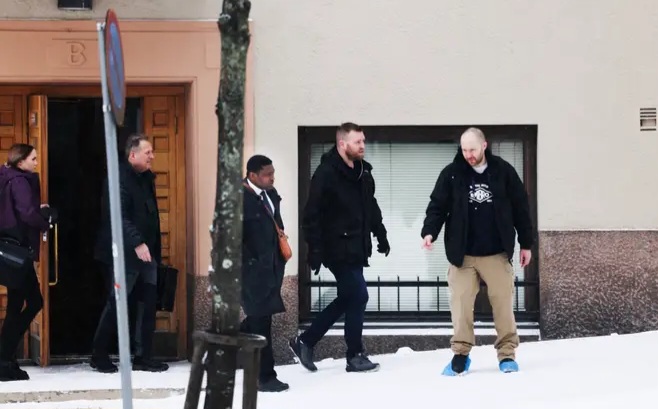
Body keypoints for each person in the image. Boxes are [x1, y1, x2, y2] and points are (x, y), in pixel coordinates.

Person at [420, 127, 534, 376]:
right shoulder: (452, 174)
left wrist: (526, 243)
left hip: (496, 252)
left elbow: (521, 208)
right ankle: (460, 354)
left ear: (484, 146)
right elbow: (437, 206)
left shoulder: (503, 172)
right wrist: (429, 232)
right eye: (464, 149)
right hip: (462, 254)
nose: (468, 155)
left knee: (503, 305)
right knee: (460, 306)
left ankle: (507, 354)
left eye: (472, 149)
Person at [289, 122, 390, 373]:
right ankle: (354, 354)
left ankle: (306, 341)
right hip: (336, 248)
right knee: (359, 295)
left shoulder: (362, 172)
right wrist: (314, 249)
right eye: (358, 142)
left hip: (357, 246)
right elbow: (311, 216)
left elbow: (371, 206)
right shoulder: (326, 173)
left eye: (364, 141)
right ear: (342, 144)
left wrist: (381, 233)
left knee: (349, 297)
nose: (363, 146)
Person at [91, 134, 168, 373]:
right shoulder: (118, 179)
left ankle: (143, 356)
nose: (152, 157)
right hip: (122, 254)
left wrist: (154, 249)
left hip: (147, 254)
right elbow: (118, 215)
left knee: (148, 304)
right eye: (148, 153)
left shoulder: (146, 178)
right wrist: (137, 242)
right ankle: (99, 355)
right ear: (132, 155)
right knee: (117, 304)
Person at [0, 144, 54, 381]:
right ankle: (3, 356)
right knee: (34, 302)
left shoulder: (6, 176)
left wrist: (35, 209)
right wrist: (45, 221)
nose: (35, 162)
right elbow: (26, 213)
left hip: (8, 249)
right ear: (20, 161)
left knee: (15, 305)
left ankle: (5, 358)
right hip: (19, 251)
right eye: (33, 158)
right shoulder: (20, 181)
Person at [240, 155, 289, 392]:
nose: (272, 177)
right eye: (267, 174)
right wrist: (252, 264)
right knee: (261, 322)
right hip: (249, 273)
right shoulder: (237, 199)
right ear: (252, 175)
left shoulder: (270, 194)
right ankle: (264, 377)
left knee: (258, 319)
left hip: (271, 268)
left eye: (273, 172)